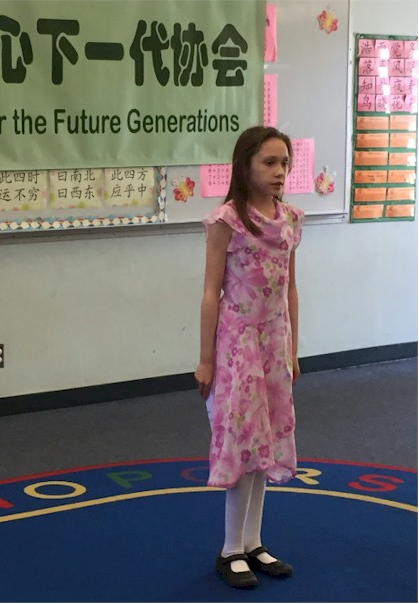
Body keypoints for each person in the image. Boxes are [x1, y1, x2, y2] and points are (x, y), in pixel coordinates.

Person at [195, 126, 304, 589]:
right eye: (269, 162)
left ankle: (253, 541)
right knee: (243, 442)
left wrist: (292, 349)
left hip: (273, 343)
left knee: (267, 443)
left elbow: (290, 289)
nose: (279, 172)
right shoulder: (227, 220)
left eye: (284, 163)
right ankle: (230, 550)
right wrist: (205, 359)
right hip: (238, 344)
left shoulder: (291, 219)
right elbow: (210, 293)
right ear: (245, 166)